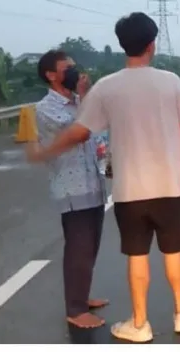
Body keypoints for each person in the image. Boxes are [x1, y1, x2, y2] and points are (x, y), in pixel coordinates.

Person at [26, 12, 180, 342]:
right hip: (169, 185)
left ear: (123, 45)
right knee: (173, 252)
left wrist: (45, 152)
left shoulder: (106, 87)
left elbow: (78, 132)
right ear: (152, 44)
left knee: (137, 256)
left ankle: (139, 324)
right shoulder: (172, 81)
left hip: (128, 191)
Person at [34, 50, 109, 328]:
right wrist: (84, 98)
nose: (74, 72)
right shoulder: (46, 108)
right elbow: (81, 130)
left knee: (90, 247)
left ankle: (82, 296)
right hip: (71, 188)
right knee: (78, 248)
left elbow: (98, 131)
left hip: (93, 185)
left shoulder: (78, 102)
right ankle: (76, 310)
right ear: (51, 75)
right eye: (67, 69)